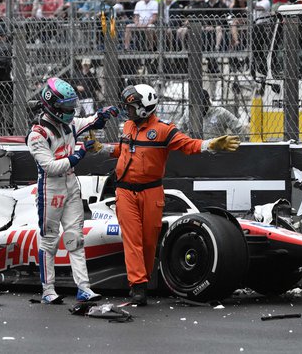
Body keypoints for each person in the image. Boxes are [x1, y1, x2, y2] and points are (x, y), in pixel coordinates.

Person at [101, 84, 240, 305]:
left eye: (132, 107)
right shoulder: (127, 125)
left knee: (148, 240)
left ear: (144, 108)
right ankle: (138, 286)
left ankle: (143, 281)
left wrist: (211, 144)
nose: (128, 111)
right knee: (133, 239)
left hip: (151, 191)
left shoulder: (164, 130)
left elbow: (188, 144)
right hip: (125, 191)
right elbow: (123, 149)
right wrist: (102, 148)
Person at [27, 77, 120, 304]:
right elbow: (49, 166)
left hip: (71, 185)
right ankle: (48, 290)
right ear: (53, 106)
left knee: (75, 238)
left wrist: (103, 115)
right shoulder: (37, 134)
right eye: (67, 108)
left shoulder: (68, 123)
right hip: (50, 188)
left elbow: (90, 122)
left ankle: (84, 288)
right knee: (49, 240)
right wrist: (79, 154)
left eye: (72, 107)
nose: (71, 112)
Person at [179, 90, 246, 138]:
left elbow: (239, 128)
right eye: (196, 106)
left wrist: (239, 148)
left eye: (201, 105)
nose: (198, 109)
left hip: (216, 150)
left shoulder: (220, 112)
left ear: (207, 102)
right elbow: (179, 129)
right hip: (195, 149)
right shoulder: (189, 112)